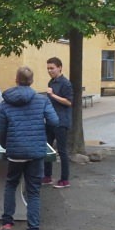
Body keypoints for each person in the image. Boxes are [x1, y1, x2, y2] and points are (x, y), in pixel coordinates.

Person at [0, 66, 59, 230]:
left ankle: (7, 224)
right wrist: (41, 135)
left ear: (16, 79)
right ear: (31, 81)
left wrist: (6, 145)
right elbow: (54, 121)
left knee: (11, 185)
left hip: (15, 151)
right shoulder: (42, 100)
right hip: (36, 152)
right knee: (33, 192)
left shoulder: (6, 102)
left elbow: (0, 129)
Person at [42, 57, 73, 188]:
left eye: (52, 68)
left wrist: (53, 95)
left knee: (62, 150)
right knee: (47, 149)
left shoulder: (66, 83)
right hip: (50, 121)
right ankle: (47, 176)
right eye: (48, 68)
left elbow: (69, 102)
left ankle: (65, 180)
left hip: (61, 122)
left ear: (59, 67)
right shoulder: (51, 82)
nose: (50, 71)